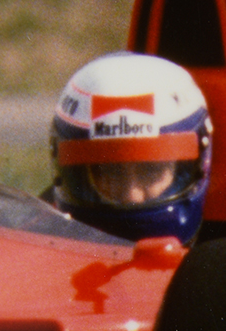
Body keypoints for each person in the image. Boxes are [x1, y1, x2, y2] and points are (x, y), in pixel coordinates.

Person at [49, 52, 212, 245]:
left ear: (196, 167)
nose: (131, 195)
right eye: (111, 172)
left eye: (151, 170)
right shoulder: (38, 240)